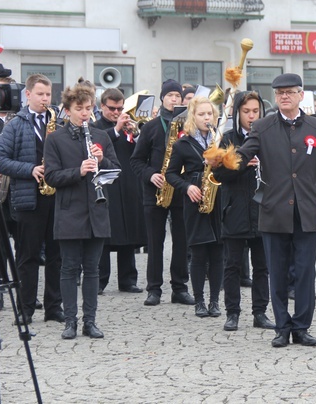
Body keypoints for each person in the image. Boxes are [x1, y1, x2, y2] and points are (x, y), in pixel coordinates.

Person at [210, 73, 316, 348]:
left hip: (307, 212)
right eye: (279, 92)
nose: (284, 96)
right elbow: (244, 154)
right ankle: (282, 327)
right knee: (277, 272)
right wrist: (222, 163)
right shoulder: (263, 126)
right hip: (273, 211)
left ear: (300, 95)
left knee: (305, 273)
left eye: (290, 92)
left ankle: (302, 326)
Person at [44, 83, 121, 339]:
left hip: (96, 211)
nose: (85, 113)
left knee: (93, 270)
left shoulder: (101, 137)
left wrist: (102, 161)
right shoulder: (55, 138)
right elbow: (52, 176)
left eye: (88, 108)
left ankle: (90, 321)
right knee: (68, 269)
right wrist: (78, 171)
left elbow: (115, 171)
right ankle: (70, 322)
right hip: (69, 213)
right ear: (67, 110)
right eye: (79, 109)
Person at [0, 74, 63, 325]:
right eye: (40, 94)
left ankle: (54, 307)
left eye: (48, 95)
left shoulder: (59, 121)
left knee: (57, 256)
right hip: (28, 199)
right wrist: (29, 169)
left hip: (56, 198)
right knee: (27, 257)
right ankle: (25, 309)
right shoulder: (16, 124)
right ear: (28, 95)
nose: (45, 99)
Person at [211, 91, 275, 331]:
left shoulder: (269, 137)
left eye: (255, 111)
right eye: (246, 111)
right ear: (238, 113)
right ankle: (232, 313)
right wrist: (240, 163)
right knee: (233, 265)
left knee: (262, 266)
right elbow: (217, 174)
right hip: (234, 208)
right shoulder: (227, 138)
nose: (251, 116)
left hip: (262, 209)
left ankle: (260, 313)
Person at [130, 79, 195, 306]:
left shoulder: (190, 126)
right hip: (155, 190)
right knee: (155, 242)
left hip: (181, 190)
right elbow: (136, 160)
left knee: (181, 241)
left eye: (178, 96)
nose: (174, 99)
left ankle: (180, 287)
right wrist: (150, 175)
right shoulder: (150, 127)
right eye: (170, 96)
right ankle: (154, 289)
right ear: (163, 98)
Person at [165, 96, 224, 318]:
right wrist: (187, 187)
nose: (206, 117)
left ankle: (215, 301)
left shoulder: (220, 140)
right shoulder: (182, 143)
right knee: (199, 254)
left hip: (217, 200)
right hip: (195, 200)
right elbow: (170, 174)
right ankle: (199, 301)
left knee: (218, 253)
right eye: (201, 114)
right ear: (193, 116)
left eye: (209, 114)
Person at [96, 88, 145, 294]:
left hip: (128, 183)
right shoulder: (95, 126)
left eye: (120, 108)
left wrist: (137, 134)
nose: (117, 112)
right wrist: (116, 129)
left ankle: (128, 280)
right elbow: (99, 143)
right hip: (107, 185)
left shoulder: (127, 127)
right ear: (102, 107)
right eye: (112, 108)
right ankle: (99, 280)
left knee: (129, 231)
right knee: (106, 235)